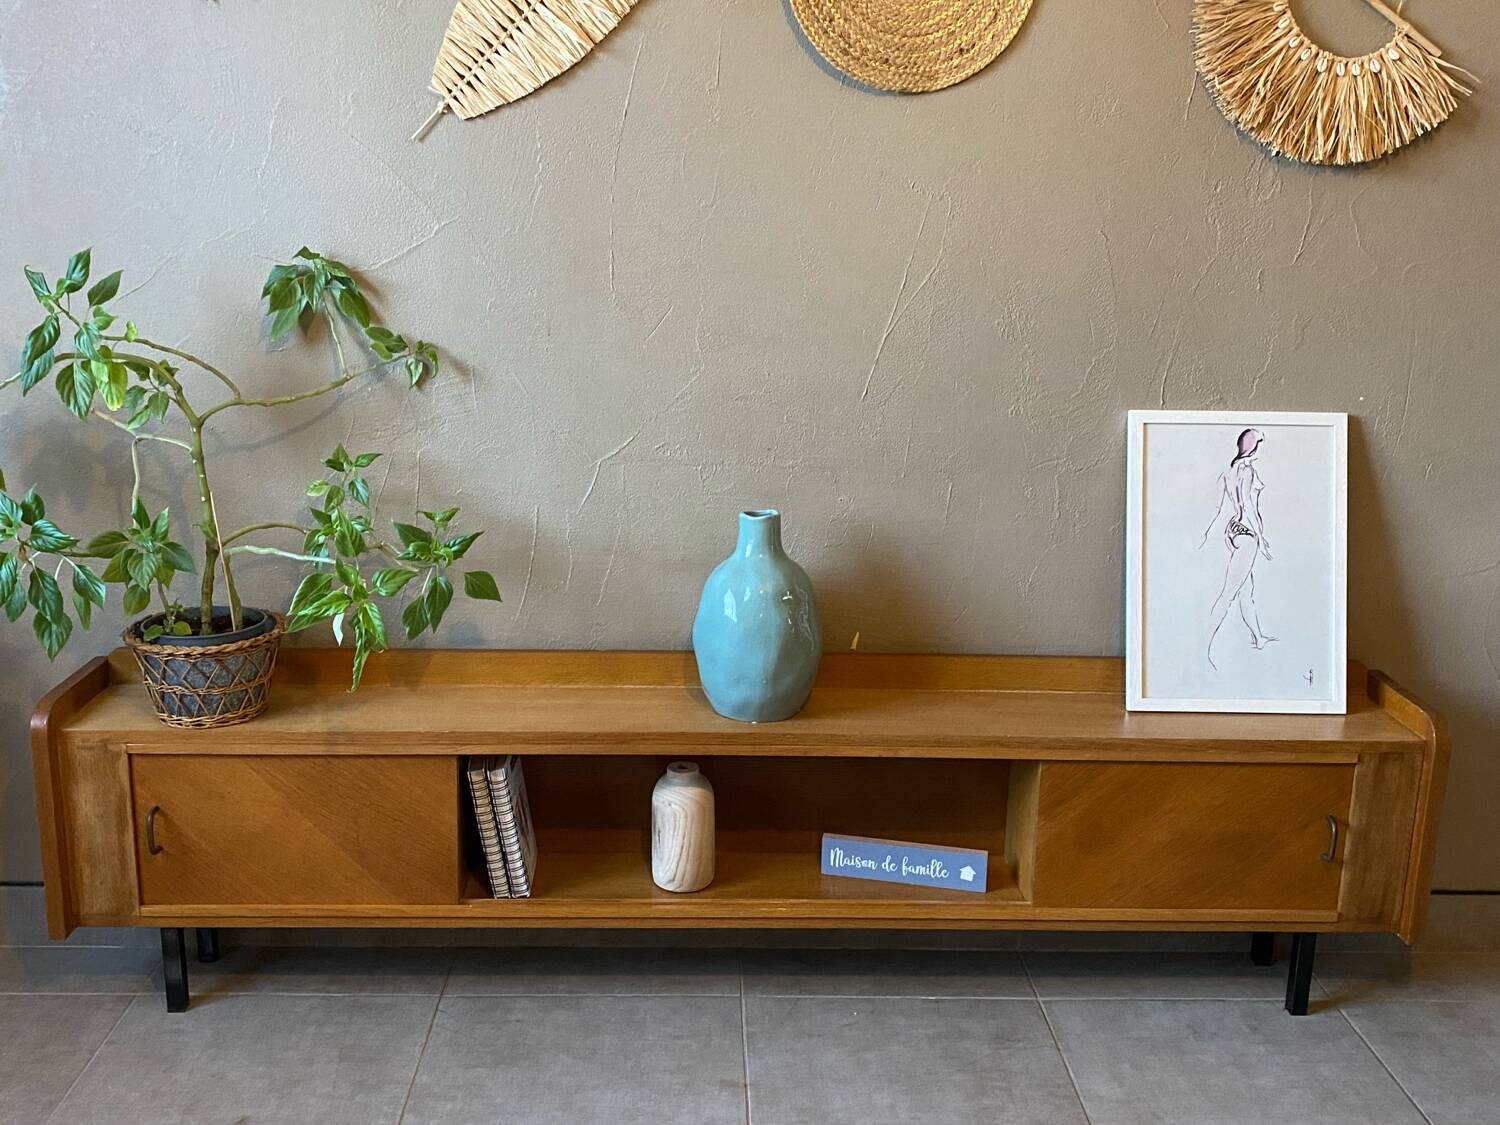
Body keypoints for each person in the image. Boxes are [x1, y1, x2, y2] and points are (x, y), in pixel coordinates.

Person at [1200, 428, 1275, 669]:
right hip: (1248, 535)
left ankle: (1258, 637)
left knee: (1245, 591)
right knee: (1229, 594)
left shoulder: (1229, 470)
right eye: (1259, 445)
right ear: (1253, 447)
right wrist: (1261, 539)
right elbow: (1248, 506)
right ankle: (1203, 647)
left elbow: (1220, 506)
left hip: (1234, 532)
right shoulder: (1247, 470)